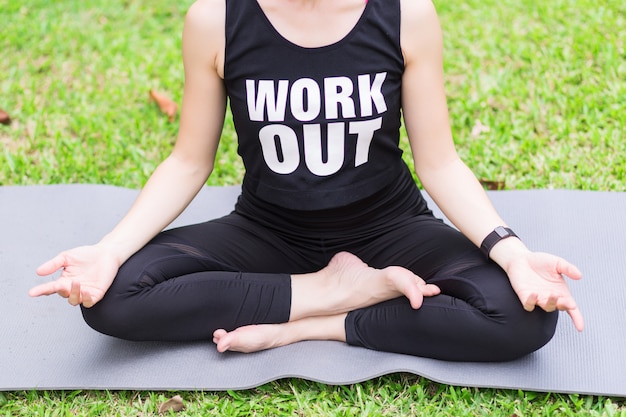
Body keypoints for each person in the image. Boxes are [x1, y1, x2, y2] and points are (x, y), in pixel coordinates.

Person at [29, 0, 584, 362]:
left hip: (391, 229)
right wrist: (109, 250)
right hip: (268, 233)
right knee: (113, 298)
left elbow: (438, 163)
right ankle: (323, 290)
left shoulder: (407, 15)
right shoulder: (214, 19)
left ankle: (312, 323)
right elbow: (188, 162)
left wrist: (512, 253)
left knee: (524, 319)